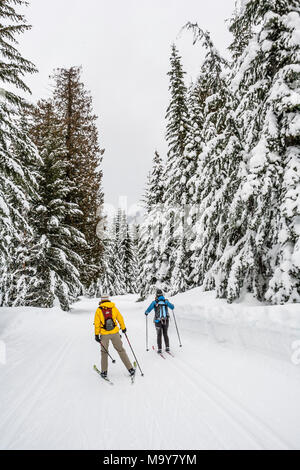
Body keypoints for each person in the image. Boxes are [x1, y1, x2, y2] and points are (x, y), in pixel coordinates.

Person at [94, 294, 135, 378]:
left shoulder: (98, 310)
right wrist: (123, 328)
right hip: (115, 333)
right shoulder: (113, 308)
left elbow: (97, 324)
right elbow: (120, 318)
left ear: (101, 300)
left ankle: (104, 372)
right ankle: (130, 368)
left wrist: (96, 335)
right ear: (108, 299)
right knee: (121, 350)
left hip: (104, 335)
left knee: (104, 352)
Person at [145, 289, 174, 354]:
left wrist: (146, 313)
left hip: (157, 320)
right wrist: (168, 304)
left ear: (156, 295)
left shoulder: (155, 302)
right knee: (165, 333)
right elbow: (172, 307)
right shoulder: (166, 301)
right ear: (162, 294)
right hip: (166, 320)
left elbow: (149, 309)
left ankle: (160, 349)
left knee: (159, 334)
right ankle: (167, 347)